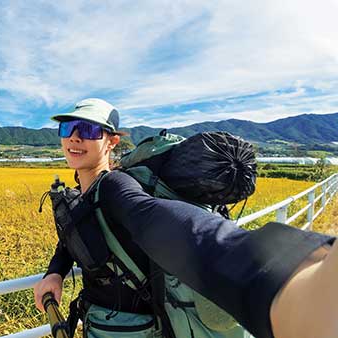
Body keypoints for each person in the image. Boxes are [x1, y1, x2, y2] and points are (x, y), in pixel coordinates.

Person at [33, 98, 337, 338]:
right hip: (101, 322)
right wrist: (55, 272)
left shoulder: (115, 185)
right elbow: (74, 229)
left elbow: (165, 223)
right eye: (67, 129)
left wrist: (272, 281)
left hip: (132, 330)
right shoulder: (85, 192)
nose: (74, 138)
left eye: (88, 131)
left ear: (111, 142)